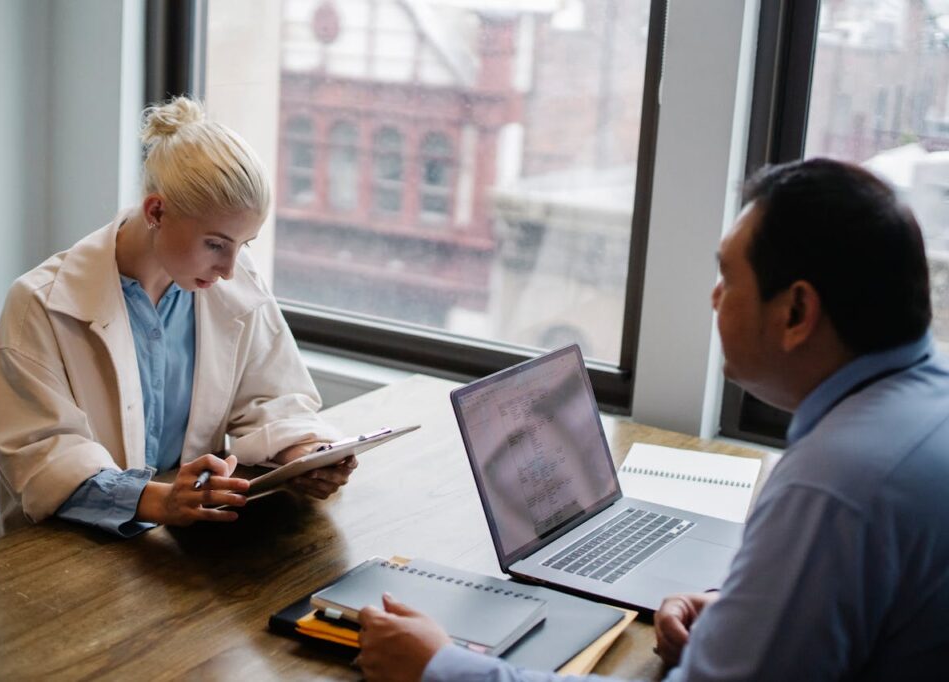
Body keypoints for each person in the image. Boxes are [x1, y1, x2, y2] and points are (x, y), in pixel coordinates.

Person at [356, 158, 949, 681]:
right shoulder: (921, 414)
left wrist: (442, 669)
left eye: (728, 277)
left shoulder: (836, 485)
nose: (715, 299)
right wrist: (743, 611)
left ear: (796, 311)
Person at [0, 97, 354, 539]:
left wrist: (304, 452)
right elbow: (44, 459)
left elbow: (271, 396)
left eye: (245, 244)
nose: (230, 269)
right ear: (156, 211)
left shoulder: (226, 283)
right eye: (216, 244)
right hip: (55, 558)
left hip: (180, 546)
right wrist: (159, 501)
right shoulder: (39, 304)